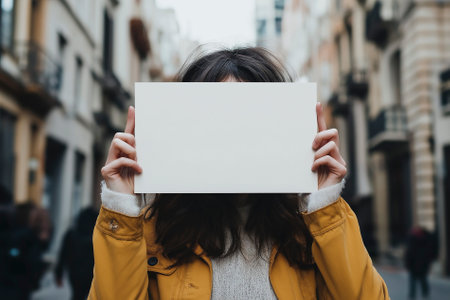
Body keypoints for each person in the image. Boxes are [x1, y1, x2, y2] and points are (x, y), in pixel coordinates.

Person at [88, 47, 389, 299]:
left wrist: (325, 204)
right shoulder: (151, 234)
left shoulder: (310, 233)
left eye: (250, 117)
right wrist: (121, 206)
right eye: (214, 118)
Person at [55, 207, 98, 300]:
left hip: (75, 273)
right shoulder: (97, 236)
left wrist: (59, 273)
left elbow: (63, 255)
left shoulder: (71, 234)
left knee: (77, 295)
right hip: (92, 273)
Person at [405, 226, 438, 300]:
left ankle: (413, 294)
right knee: (421, 279)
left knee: (415, 280)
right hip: (421, 263)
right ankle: (424, 293)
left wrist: (407, 263)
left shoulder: (412, 239)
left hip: (415, 264)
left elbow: (409, 253)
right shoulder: (426, 239)